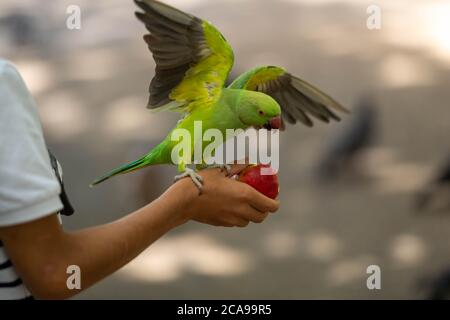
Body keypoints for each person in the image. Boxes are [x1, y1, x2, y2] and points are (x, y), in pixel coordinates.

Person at [0, 59, 279, 300]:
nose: (269, 124)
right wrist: (184, 202)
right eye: (265, 116)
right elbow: (53, 272)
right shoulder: (4, 85)